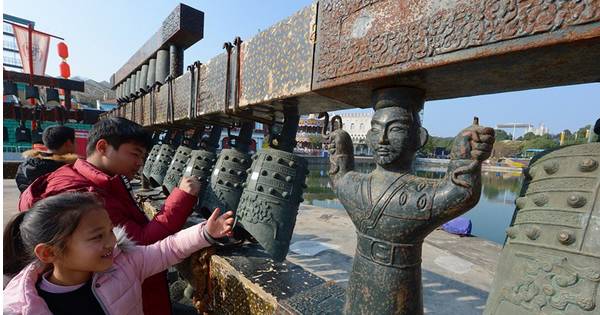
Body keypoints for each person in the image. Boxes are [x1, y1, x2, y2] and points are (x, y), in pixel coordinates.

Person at [18, 117, 202, 315]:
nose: (140, 163)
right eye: (135, 154)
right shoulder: (83, 194)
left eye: (143, 157)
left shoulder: (85, 178)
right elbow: (136, 245)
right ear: (103, 147)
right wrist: (182, 198)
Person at [4, 192, 234, 315]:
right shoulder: (22, 307)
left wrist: (206, 232)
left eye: (109, 231)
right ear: (49, 252)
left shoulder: (124, 264)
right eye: (97, 236)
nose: (111, 242)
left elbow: (167, 250)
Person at [15, 125, 78, 193]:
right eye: (75, 141)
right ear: (68, 143)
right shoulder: (68, 169)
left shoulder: (25, 165)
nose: (76, 144)